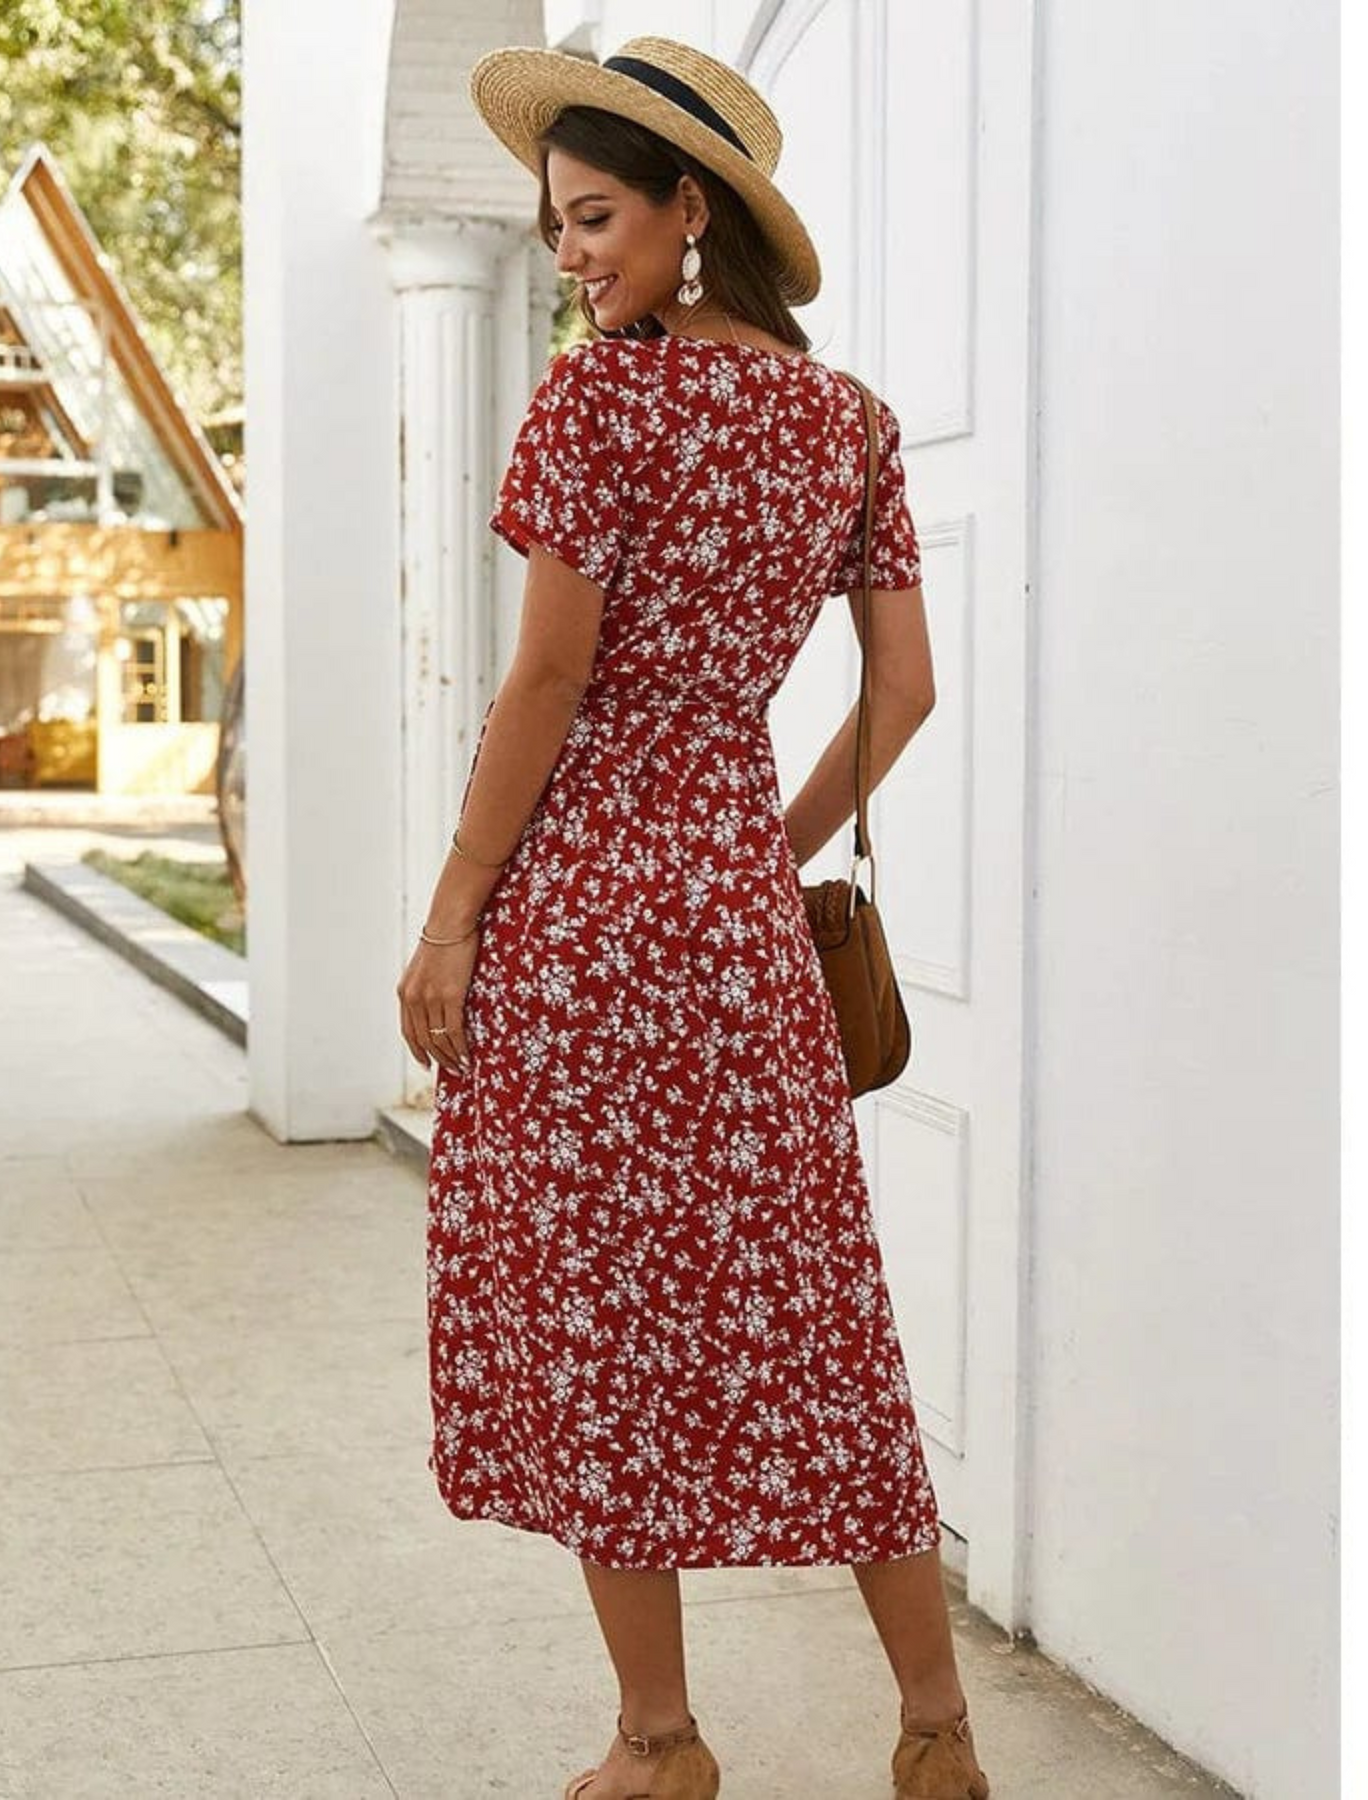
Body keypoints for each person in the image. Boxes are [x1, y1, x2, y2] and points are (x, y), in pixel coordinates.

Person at [394, 35, 991, 1800]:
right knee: (812, 1310)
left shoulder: (598, 403)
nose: (569, 255)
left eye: (593, 218)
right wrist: (755, 844)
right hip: (733, 928)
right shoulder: (850, 423)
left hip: (582, 916)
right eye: (556, 224)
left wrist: (453, 912)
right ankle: (937, 1730)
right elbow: (907, 690)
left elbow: (549, 681)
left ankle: (661, 1741)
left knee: (597, 1317)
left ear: (690, 209)